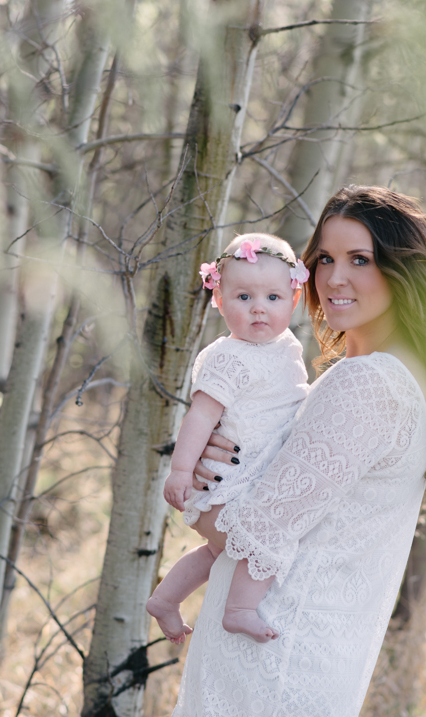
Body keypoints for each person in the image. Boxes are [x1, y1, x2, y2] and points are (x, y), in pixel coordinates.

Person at [171, 186, 426, 717]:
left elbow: (251, 536)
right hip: (291, 654)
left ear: (405, 273)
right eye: (325, 259)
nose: (335, 278)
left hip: (273, 663)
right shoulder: (394, 377)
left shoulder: (367, 384)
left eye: (361, 259)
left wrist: (196, 486)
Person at [146, 233, 311, 645]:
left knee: (216, 554)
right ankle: (237, 610)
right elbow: (200, 417)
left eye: (273, 297)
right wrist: (181, 470)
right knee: (265, 543)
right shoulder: (229, 358)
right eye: (243, 297)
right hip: (223, 491)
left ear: (293, 301)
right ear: (218, 300)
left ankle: (164, 600)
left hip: (244, 485)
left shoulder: (286, 346)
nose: (259, 307)